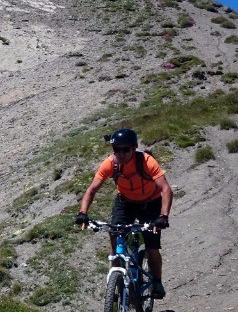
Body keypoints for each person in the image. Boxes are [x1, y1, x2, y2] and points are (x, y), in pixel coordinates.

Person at [74, 128, 174, 299]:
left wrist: (163, 216)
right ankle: (115, 280)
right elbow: (91, 190)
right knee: (114, 235)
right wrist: (83, 212)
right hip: (125, 202)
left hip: (151, 203)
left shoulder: (147, 162)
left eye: (125, 149)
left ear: (134, 148)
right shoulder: (110, 164)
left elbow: (166, 189)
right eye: (116, 149)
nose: (120, 153)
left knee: (152, 247)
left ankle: (157, 281)